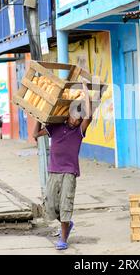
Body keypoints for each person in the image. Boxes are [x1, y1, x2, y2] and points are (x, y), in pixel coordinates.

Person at [33, 83, 92, 251]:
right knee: (50, 207)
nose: (77, 120)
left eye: (80, 118)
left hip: (69, 172)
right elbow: (35, 135)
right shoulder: (55, 127)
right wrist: (38, 116)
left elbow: (88, 117)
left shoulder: (79, 131)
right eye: (75, 116)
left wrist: (86, 91)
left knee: (65, 205)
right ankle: (67, 224)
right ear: (68, 114)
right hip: (53, 171)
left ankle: (63, 237)